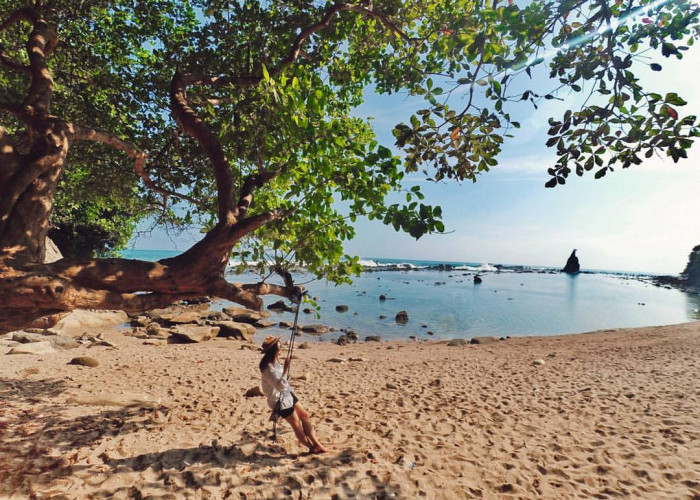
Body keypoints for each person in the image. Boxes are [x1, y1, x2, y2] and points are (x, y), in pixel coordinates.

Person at [259, 335, 327, 454]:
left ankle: (317, 444)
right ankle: (311, 448)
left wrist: (286, 370)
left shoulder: (275, 360)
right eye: (278, 343)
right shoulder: (268, 368)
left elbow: (284, 381)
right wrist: (285, 369)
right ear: (274, 348)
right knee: (296, 425)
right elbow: (279, 386)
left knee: (305, 416)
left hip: (287, 393)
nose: (280, 344)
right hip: (278, 401)